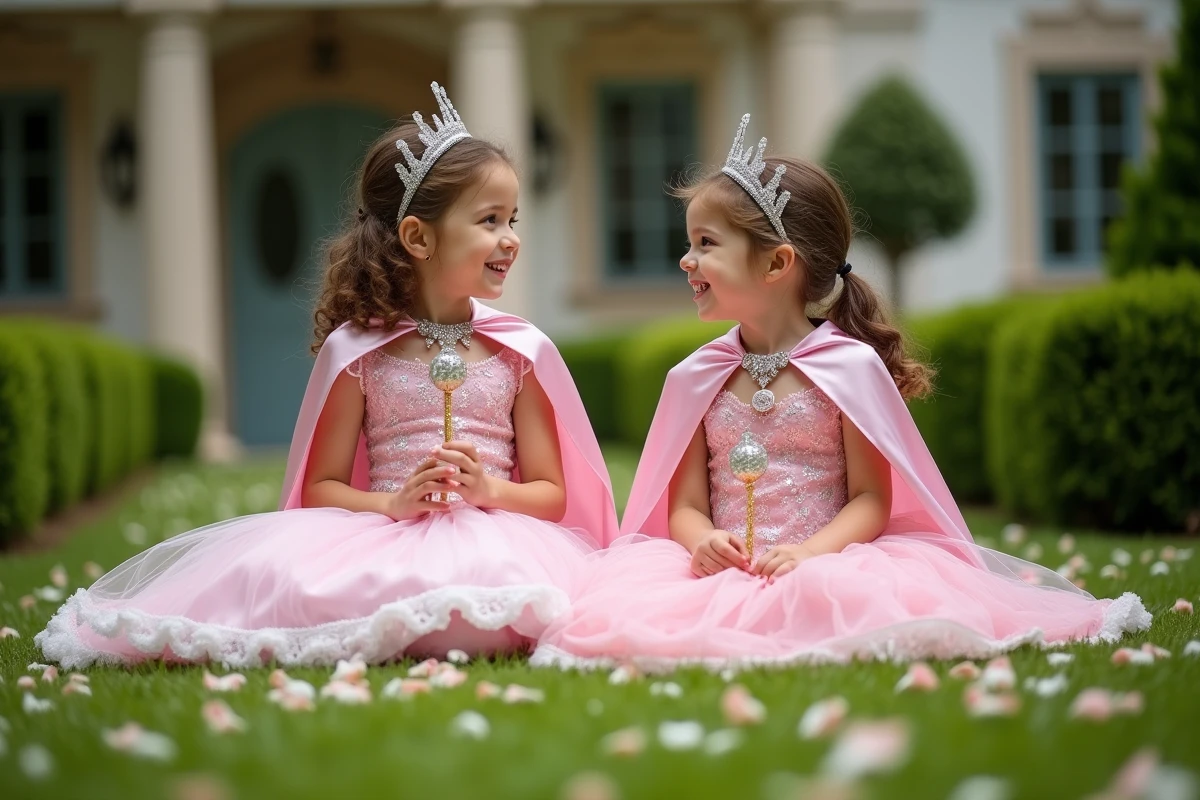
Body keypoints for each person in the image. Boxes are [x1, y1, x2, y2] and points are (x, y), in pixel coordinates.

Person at [531, 115, 1149, 672]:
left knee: (830, 609)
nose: (687, 261)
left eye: (707, 244)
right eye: (691, 243)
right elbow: (685, 504)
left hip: (827, 559)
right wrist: (701, 540)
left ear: (777, 265)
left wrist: (809, 554)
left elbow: (870, 499)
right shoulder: (697, 376)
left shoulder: (846, 368)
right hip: (726, 569)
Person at [38, 83, 618, 669]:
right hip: (390, 529)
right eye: (490, 220)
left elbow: (551, 492)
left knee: (499, 591)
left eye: (512, 218)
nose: (511, 237)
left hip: (498, 537)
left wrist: (487, 490)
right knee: (310, 590)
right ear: (419, 236)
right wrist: (394, 502)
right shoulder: (358, 351)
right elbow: (320, 489)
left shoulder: (521, 351)